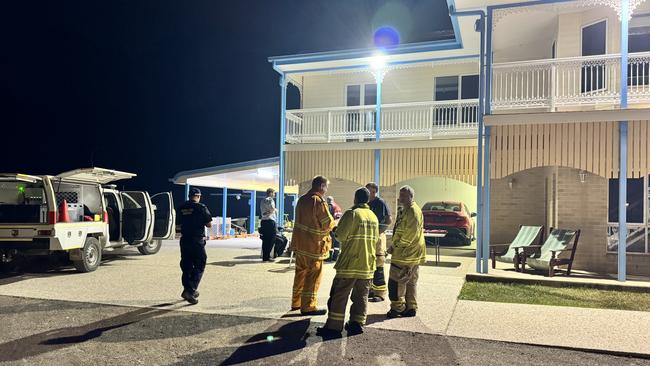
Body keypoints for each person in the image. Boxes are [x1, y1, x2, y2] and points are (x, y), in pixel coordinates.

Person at [316, 187, 379, 337]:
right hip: (367, 265)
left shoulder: (352, 213)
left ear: (355, 199)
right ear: (368, 199)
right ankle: (356, 324)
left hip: (350, 263)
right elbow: (375, 239)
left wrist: (335, 231)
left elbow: (341, 236)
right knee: (361, 296)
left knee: (339, 295)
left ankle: (334, 327)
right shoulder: (373, 216)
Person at [290, 176, 336, 315]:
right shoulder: (318, 201)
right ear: (321, 186)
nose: (326, 189)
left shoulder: (302, 200)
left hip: (300, 245)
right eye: (326, 186)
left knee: (300, 274)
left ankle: (296, 302)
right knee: (313, 277)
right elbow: (327, 223)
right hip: (314, 247)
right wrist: (335, 223)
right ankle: (308, 306)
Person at [386, 185, 425, 318]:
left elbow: (409, 235)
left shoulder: (413, 211)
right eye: (400, 195)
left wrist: (395, 247)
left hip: (405, 254)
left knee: (396, 281)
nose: (400, 198)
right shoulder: (407, 210)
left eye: (403, 195)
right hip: (412, 253)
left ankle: (397, 308)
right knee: (410, 281)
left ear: (411, 196)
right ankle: (411, 307)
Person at [177, 187, 212, 305]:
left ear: (189, 196)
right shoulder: (201, 207)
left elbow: (177, 223)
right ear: (198, 196)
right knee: (200, 264)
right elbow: (209, 224)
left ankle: (188, 289)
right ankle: (190, 290)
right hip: (196, 240)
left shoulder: (181, 207)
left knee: (186, 265)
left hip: (184, 240)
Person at [365, 182, 393, 302]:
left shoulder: (380, 202)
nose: (367, 193)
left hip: (378, 237)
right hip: (368, 238)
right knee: (370, 265)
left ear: (374, 192)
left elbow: (388, 219)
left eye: (369, 191)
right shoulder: (365, 204)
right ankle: (371, 290)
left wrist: (379, 232)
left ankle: (380, 294)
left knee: (378, 264)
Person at [259, 188, 278, 262]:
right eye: (274, 193)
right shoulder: (270, 199)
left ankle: (265, 257)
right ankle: (268, 256)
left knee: (265, 240)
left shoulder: (262, 200)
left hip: (263, 221)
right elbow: (272, 209)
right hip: (270, 221)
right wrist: (275, 210)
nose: (274, 195)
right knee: (272, 239)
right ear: (270, 193)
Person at [325, 196, 343, 262]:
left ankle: (329, 258)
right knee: (336, 244)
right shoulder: (337, 207)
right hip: (338, 227)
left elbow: (328, 217)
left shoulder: (330, 206)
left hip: (332, 227)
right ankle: (335, 258)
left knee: (331, 243)